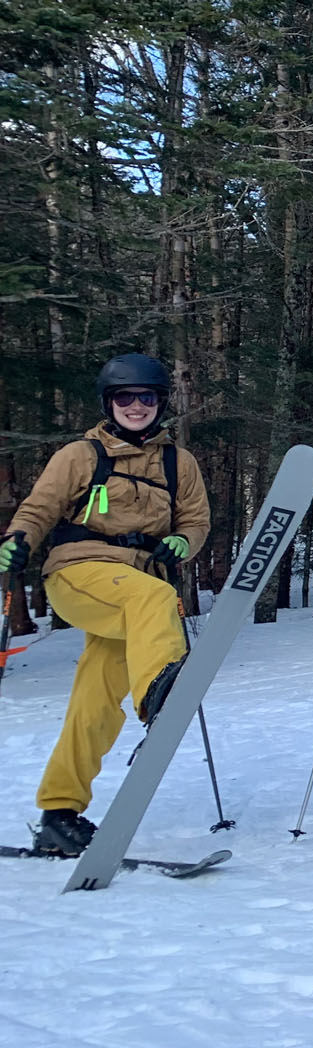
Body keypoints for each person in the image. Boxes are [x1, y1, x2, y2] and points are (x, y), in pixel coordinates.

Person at [0, 354, 210, 855]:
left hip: (136, 596)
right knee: (155, 596)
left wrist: (184, 543)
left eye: (147, 397)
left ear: (161, 404)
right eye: (124, 398)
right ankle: (159, 697)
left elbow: (196, 522)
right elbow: (39, 507)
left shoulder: (179, 463)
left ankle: (59, 812)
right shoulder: (80, 455)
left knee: (93, 703)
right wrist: (19, 538)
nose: (135, 406)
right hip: (79, 574)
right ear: (108, 403)